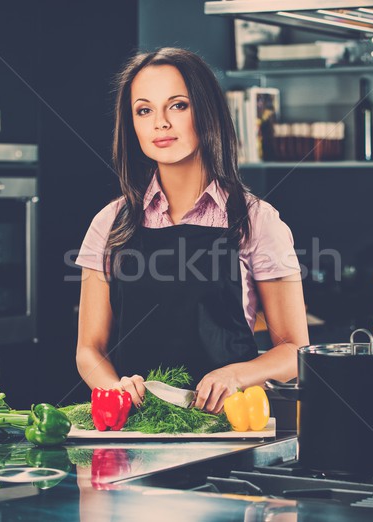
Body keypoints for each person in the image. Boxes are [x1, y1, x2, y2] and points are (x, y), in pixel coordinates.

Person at [75, 47, 308, 414]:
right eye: (144, 110)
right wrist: (114, 387)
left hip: (227, 429)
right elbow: (89, 348)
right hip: (137, 430)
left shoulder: (257, 220)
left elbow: (294, 348)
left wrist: (237, 375)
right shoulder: (109, 223)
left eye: (178, 105)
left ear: (206, 110)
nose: (160, 123)